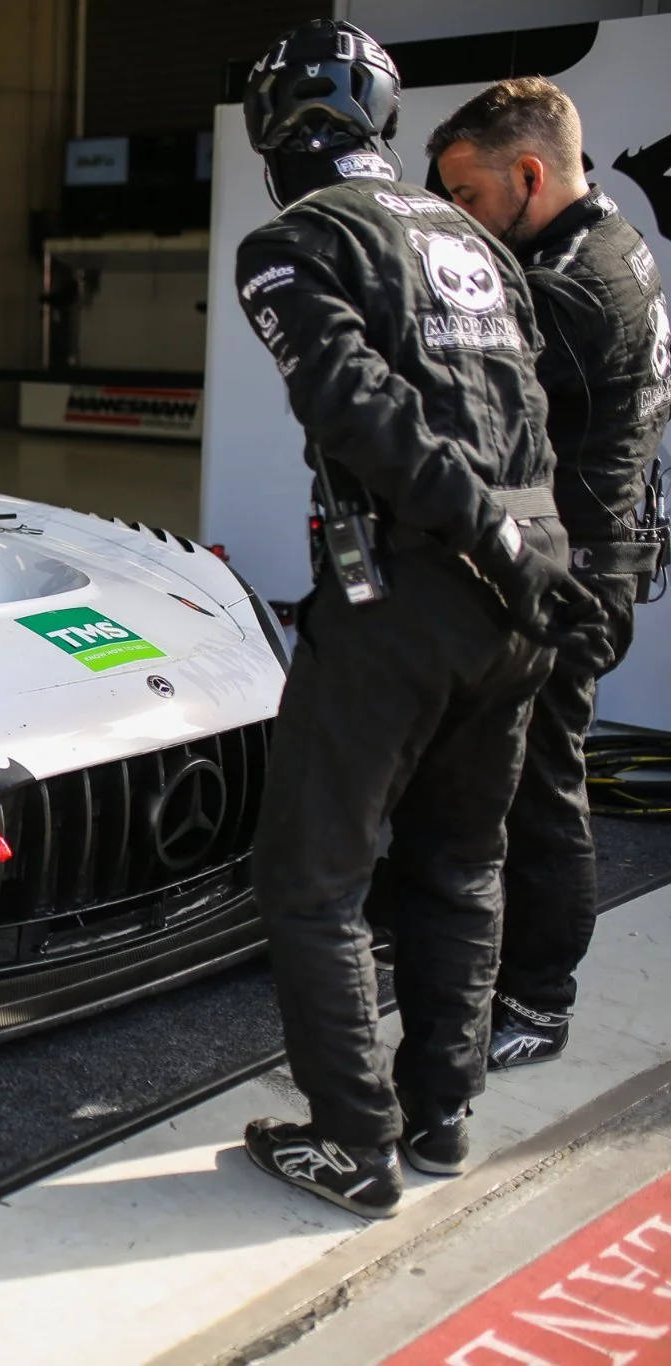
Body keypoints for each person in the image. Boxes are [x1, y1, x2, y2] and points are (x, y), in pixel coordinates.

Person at [230, 21, 613, 1219]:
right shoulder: (475, 237)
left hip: (410, 589)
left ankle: (353, 1142)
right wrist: (529, 552)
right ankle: (438, 1113)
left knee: (311, 875)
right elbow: (526, 410)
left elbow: (358, 410)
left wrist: (481, 538)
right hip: (524, 592)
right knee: (458, 858)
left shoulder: (292, 243)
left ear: (272, 132)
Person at [426, 79, 671, 1069]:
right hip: (566, 559)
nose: (459, 218)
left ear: (529, 174)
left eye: (468, 197)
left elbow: (459, 363)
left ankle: (537, 1001)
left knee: (539, 789)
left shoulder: (581, 285)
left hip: (571, 577)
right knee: (496, 774)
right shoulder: (599, 244)